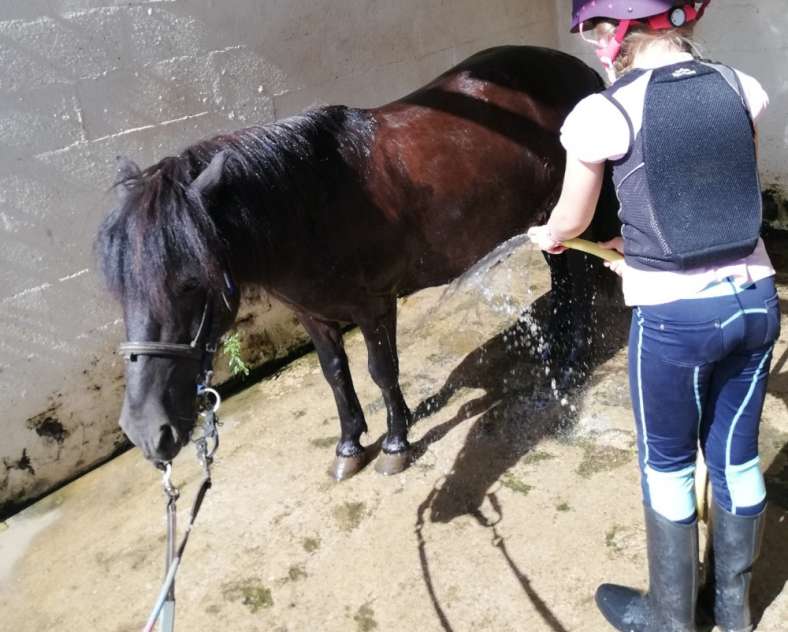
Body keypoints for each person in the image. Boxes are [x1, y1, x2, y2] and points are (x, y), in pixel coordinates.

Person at [527, 2, 781, 631]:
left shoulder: (601, 111)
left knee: (667, 465)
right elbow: (717, 190)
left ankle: (670, 617)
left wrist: (551, 236)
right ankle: (732, 610)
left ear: (618, 33)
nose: (591, 44)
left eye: (592, 31)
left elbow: (574, 218)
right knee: (737, 459)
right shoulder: (737, 85)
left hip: (676, 321)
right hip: (754, 300)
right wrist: (634, 245)